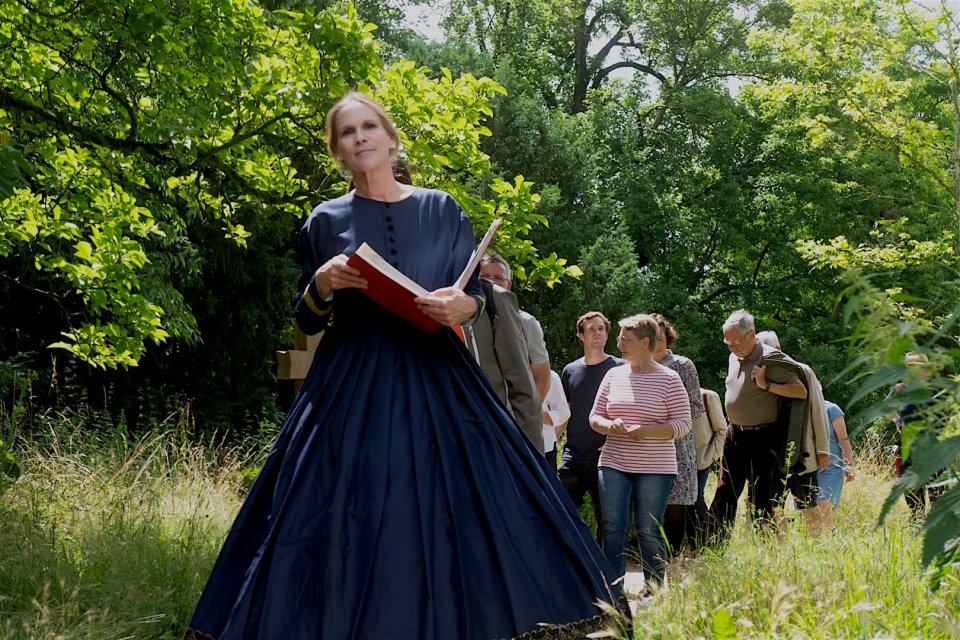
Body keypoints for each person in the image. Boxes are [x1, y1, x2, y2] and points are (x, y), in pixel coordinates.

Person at [184, 92, 619, 640]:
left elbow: (475, 292)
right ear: (338, 151)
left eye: (369, 127)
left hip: (438, 371)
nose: (359, 137)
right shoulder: (324, 220)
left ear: (390, 138)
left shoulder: (443, 209)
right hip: (351, 378)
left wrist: (464, 307)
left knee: (472, 497)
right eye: (347, 133)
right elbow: (308, 318)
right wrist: (323, 283)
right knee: (338, 502)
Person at [590, 314, 692, 590]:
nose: (619, 344)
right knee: (613, 526)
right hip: (613, 461)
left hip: (656, 468)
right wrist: (610, 425)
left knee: (648, 528)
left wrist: (645, 431)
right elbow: (594, 417)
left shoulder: (670, 379)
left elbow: (683, 424)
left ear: (645, 342)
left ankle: (654, 589)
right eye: (619, 338)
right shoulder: (613, 375)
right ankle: (613, 591)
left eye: (626, 339)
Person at [708, 310, 824, 543]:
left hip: (762, 436)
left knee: (760, 497)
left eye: (736, 341)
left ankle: (767, 548)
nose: (732, 347)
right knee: (724, 491)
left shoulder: (772, 359)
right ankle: (713, 545)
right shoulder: (734, 357)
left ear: (752, 335)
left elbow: (800, 391)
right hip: (734, 433)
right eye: (727, 343)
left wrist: (766, 384)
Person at [559, 311, 625, 539]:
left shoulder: (620, 368)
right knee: (561, 510)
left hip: (607, 455)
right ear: (580, 336)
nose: (597, 333)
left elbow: (631, 410)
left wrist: (616, 441)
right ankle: (574, 556)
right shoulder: (570, 371)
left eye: (601, 329)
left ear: (607, 335)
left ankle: (604, 562)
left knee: (607, 520)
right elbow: (566, 412)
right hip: (573, 454)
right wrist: (550, 443)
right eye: (591, 329)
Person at [463, 275, 544, 452]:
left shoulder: (494, 297)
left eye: (499, 277)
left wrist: (531, 456)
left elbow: (524, 385)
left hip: (489, 439)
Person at [650, 314, 704, 556]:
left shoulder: (683, 366)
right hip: (644, 445)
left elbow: (696, 407)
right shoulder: (632, 366)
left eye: (661, 338)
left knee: (675, 506)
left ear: (668, 338)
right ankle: (651, 557)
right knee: (649, 506)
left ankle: (673, 557)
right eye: (652, 339)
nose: (656, 344)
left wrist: (664, 418)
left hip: (677, 445)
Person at [479, 253, 552, 402]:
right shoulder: (462, 321)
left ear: (508, 285)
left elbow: (542, 377)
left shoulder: (526, 323)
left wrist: (530, 413)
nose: (491, 283)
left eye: (498, 278)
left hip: (510, 412)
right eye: (484, 277)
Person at [693, 388, 727, 544]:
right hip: (672, 460)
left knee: (696, 498)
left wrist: (711, 456)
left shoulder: (707, 397)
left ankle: (707, 540)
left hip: (701, 459)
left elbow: (722, 430)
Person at [817, 400, 854, 525]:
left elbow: (844, 440)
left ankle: (828, 536)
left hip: (832, 467)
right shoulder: (800, 409)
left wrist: (849, 465)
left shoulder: (831, 409)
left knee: (823, 505)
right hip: (808, 468)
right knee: (810, 510)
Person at [541, 369, 571, 470]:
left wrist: (542, 417)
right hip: (510, 445)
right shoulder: (504, 373)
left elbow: (564, 412)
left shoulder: (551, 376)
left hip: (545, 448)